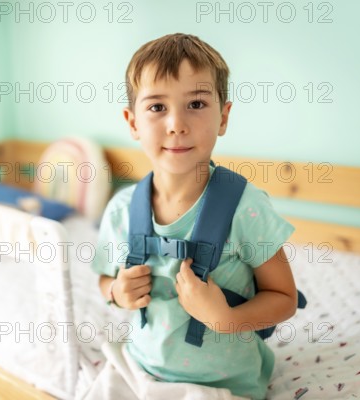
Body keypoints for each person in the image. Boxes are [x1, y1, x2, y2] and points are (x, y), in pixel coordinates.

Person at [91, 33, 299, 400]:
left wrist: (225, 320)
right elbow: (105, 278)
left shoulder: (245, 208)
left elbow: (283, 296)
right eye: (157, 107)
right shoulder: (122, 209)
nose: (176, 124)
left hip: (222, 386)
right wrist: (116, 292)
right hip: (141, 369)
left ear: (224, 116)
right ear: (132, 122)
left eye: (197, 104)